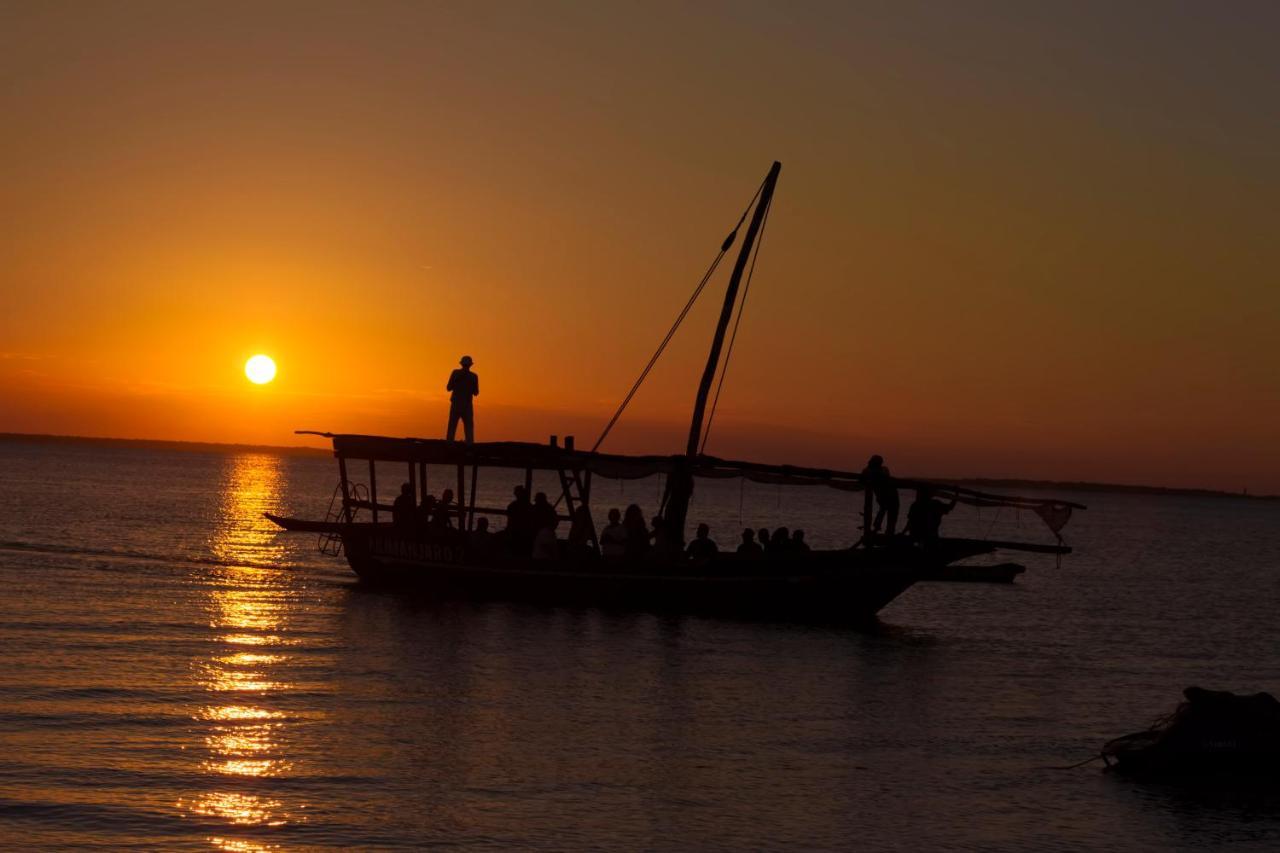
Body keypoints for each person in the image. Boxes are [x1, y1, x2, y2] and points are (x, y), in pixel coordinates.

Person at [861, 454, 900, 537]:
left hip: (890, 495)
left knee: (888, 513)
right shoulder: (872, 471)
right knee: (885, 511)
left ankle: (885, 532)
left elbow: (880, 475)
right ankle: (879, 530)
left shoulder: (882, 470)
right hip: (886, 496)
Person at [446, 355, 479, 443]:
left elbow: (448, 388)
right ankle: (469, 444)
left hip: (456, 404)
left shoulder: (455, 373)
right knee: (468, 427)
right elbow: (476, 392)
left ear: (462, 364)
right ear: (470, 365)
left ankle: (449, 443)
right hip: (467, 405)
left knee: (452, 426)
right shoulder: (473, 376)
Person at [505, 485, 533, 554]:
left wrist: (508, 531)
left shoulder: (512, 506)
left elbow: (510, 521)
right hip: (526, 532)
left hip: (515, 532)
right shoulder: (530, 506)